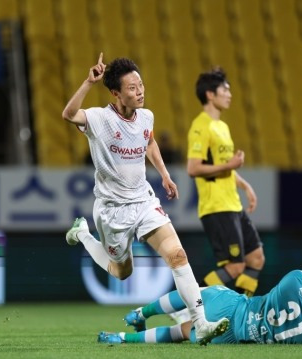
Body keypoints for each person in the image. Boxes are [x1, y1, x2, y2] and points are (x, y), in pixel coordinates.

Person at [61, 53, 229, 345]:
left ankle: (200, 323)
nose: (140, 91)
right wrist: (89, 82)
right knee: (121, 272)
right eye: (132, 88)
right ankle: (84, 235)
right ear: (116, 93)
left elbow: (148, 140)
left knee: (178, 256)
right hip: (112, 211)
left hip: (143, 202)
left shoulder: (147, 116)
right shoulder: (100, 119)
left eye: (141, 85)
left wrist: (164, 174)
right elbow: (68, 114)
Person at [98, 265, 302, 345]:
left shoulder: (299, 278)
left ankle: (140, 313)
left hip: (235, 307)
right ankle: (122, 339)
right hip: (231, 336)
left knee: (194, 293)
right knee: (183, 332)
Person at [187, 67, 265, 296]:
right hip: (217, 206)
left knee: (256, 258)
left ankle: (242, 312)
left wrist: (245, 185)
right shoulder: (201, 126)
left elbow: (225, 165)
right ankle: (187, 304)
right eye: (225, 90)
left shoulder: (222, 126)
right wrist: (229, 166)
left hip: (233, 204)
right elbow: (193, 168)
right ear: (210, 94)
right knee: (234, 267)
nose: (229, 94)